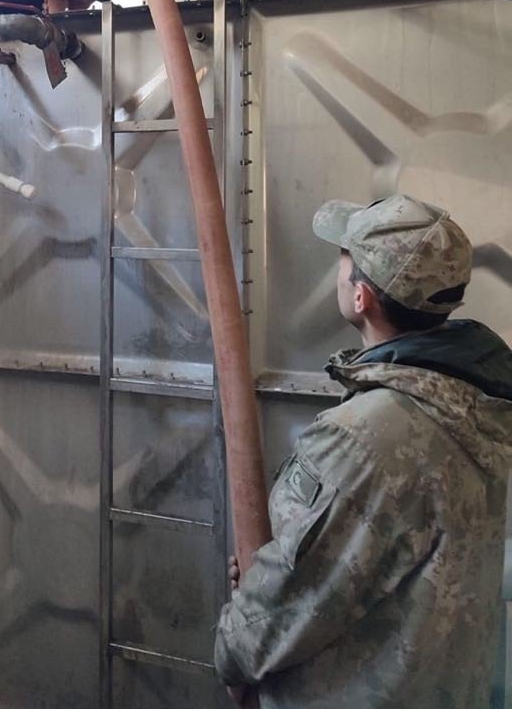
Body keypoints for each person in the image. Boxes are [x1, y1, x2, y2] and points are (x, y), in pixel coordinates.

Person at [215, 194, 512, 708]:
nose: (338, 269)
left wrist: (232, 645)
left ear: (361, 298)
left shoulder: (362, 438)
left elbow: (280, 613)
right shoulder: (483, 403)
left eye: (344, 258)